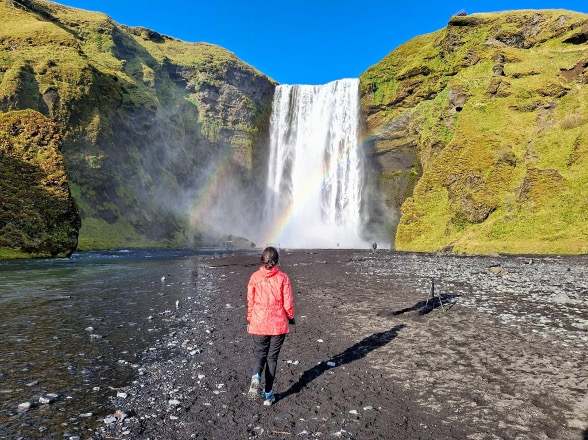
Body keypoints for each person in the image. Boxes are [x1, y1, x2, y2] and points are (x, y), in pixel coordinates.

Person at [246, 246, 295, 406]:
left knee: (260, 355)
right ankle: (268, 395)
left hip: (259, 323)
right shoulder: (283, 278)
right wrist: (291, 317)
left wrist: (249, 319)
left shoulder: (254, 277)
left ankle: (255, 377)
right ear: (277, 261)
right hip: (277, 324)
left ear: (262, 260)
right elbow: (288, 302)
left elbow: (250, 301)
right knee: (272, 359)